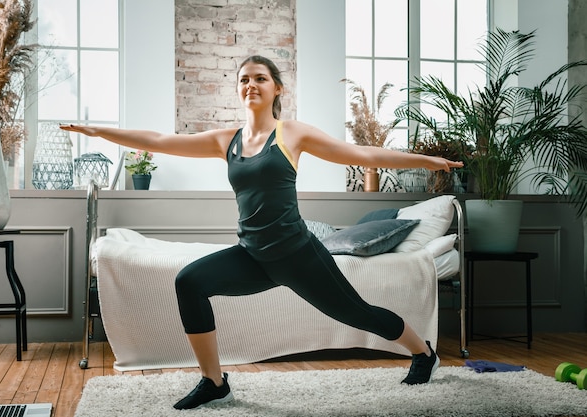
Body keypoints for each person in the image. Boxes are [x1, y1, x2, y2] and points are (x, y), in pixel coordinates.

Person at [61, 55, 463, 410]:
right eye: (243, 79)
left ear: (276, 88)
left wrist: (425, 160)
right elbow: (161, 141)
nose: (250, 85)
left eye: (259, 78)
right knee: (189, 282)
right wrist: (99, 133)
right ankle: (214, 383)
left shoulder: (292, 134)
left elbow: (362, 154)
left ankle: (422, 351)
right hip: (253, 255)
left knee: (358, 314)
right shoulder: (227, 140)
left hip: (298, 255)